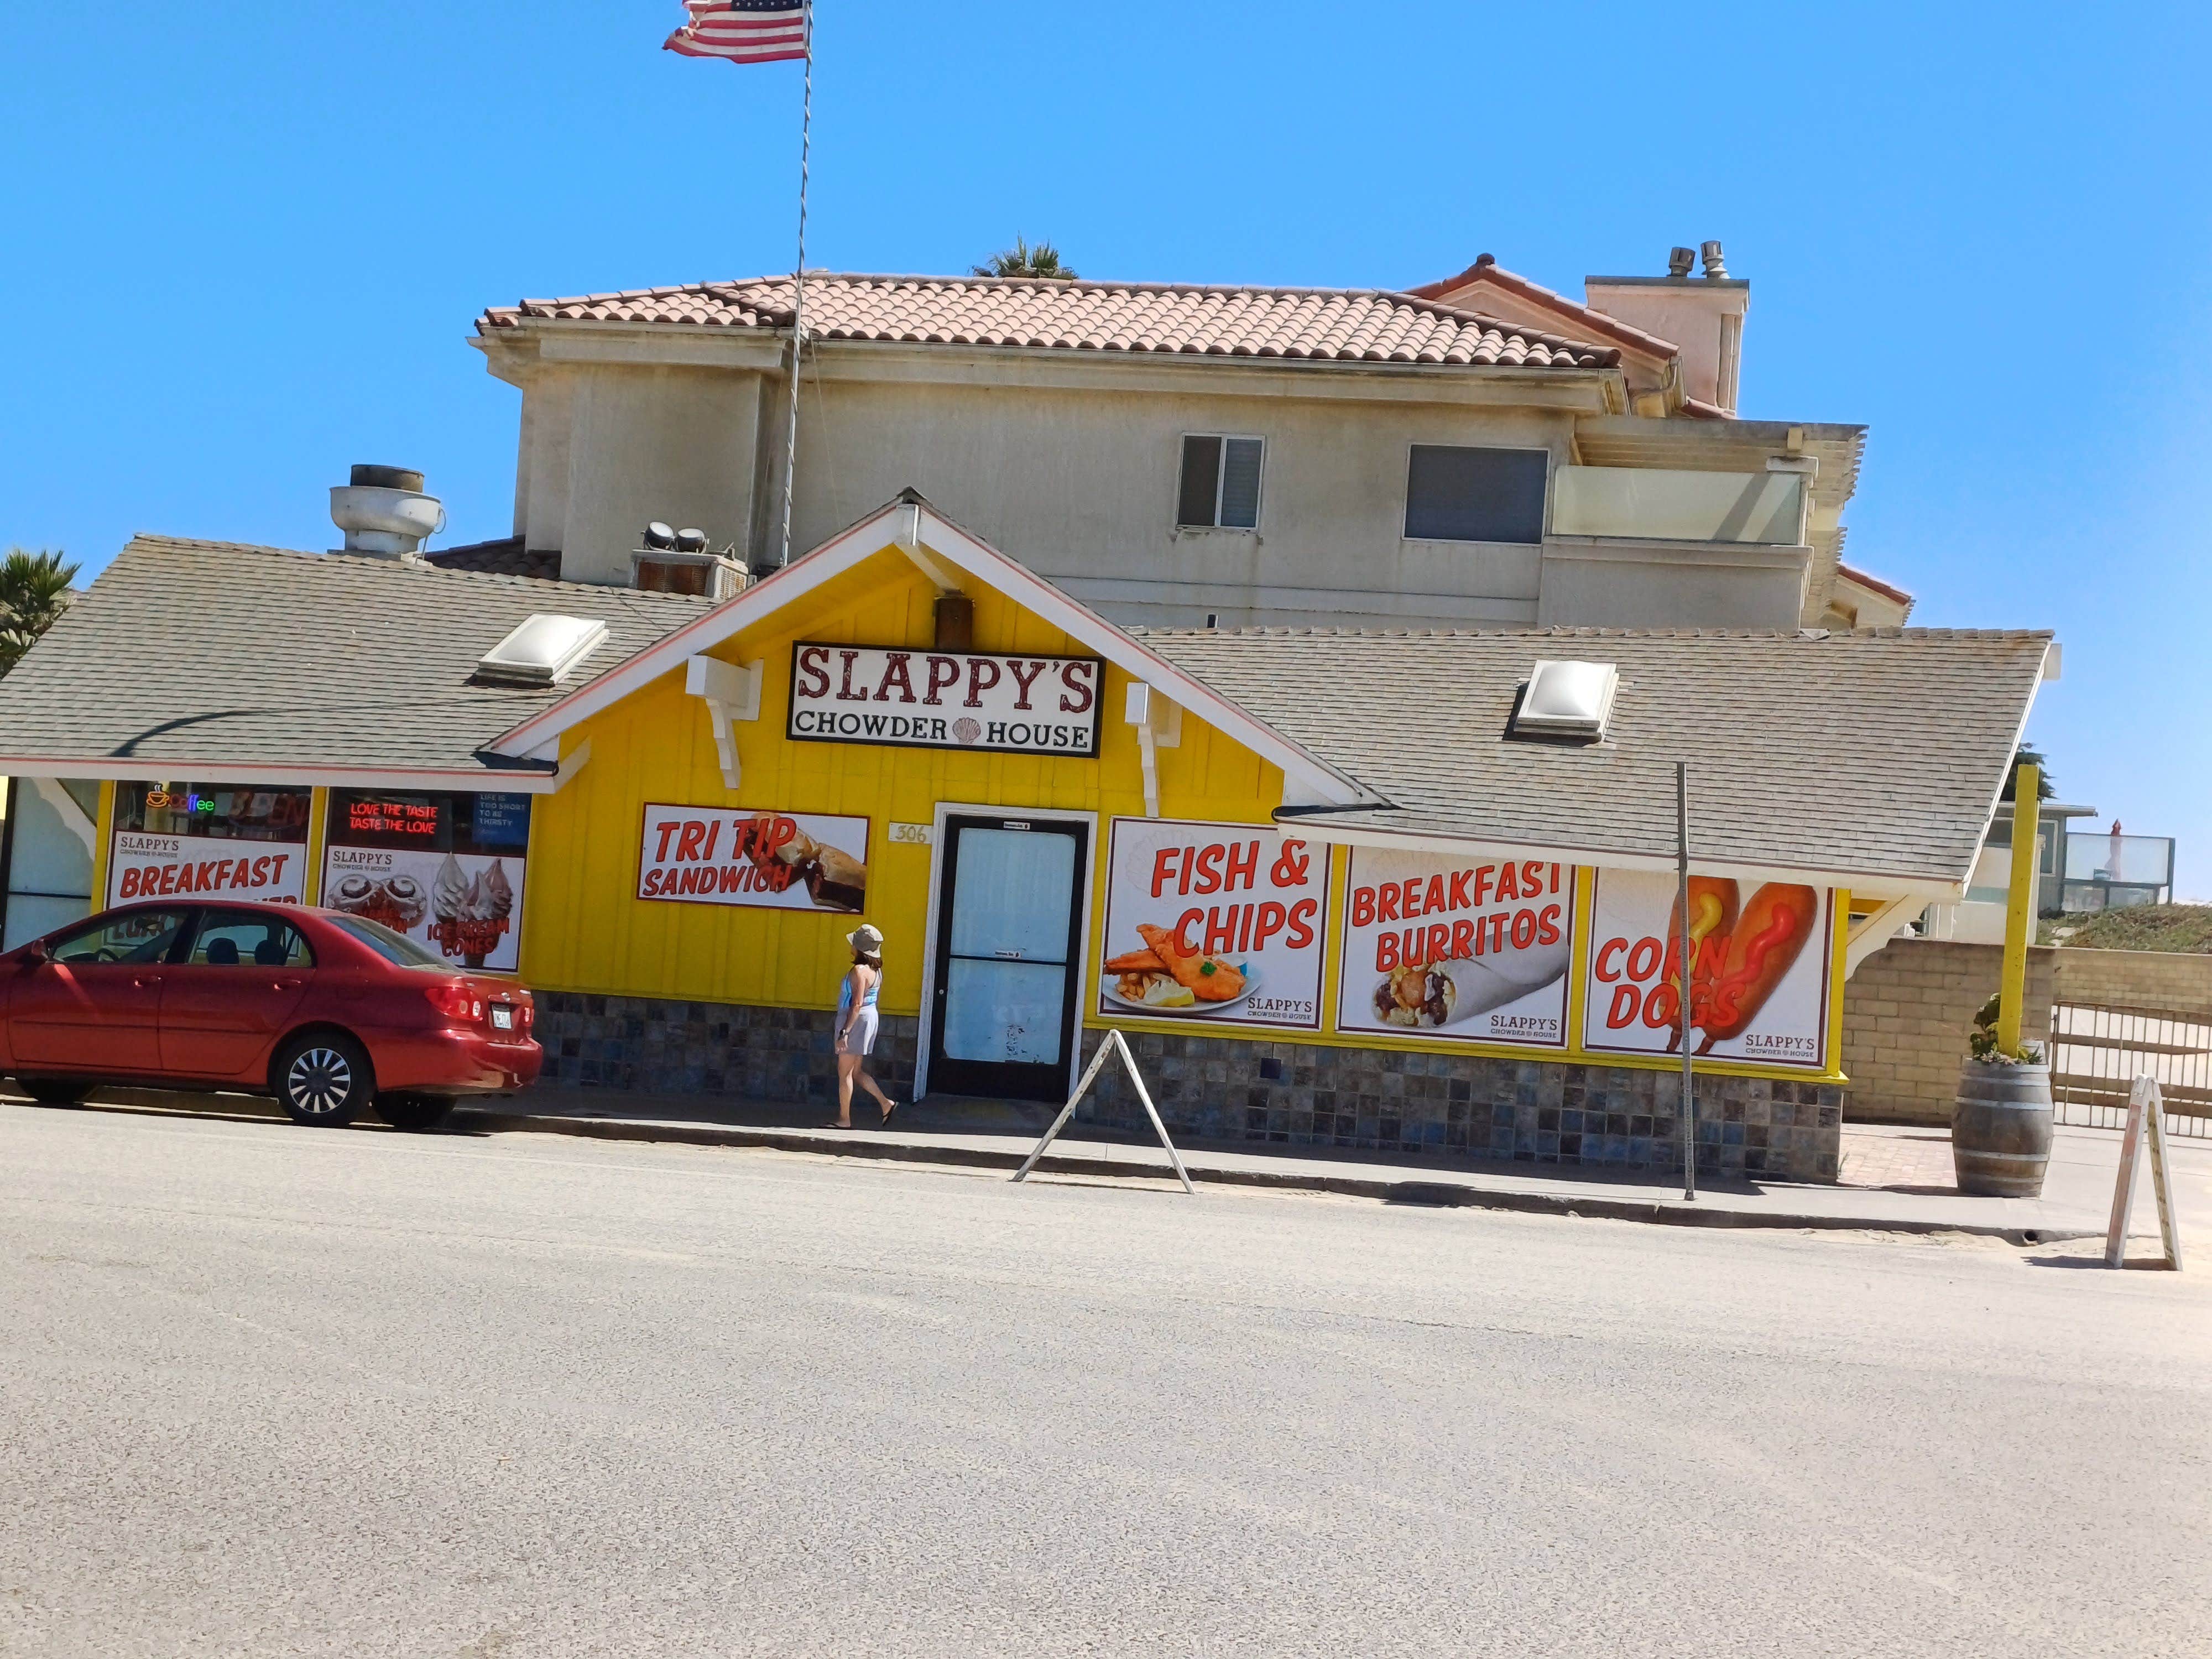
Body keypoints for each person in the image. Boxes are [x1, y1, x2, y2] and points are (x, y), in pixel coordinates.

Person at [830, 922, 898, 1128]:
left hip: (855, 1020)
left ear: (860, 948)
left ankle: (844, 1119)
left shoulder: (859, 970)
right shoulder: (876, 971)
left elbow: (857, 1003)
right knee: (856, 1072)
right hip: (869, 1018)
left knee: (845, 1073)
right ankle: (886, 1104)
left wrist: (845, 1032)